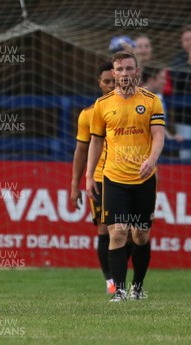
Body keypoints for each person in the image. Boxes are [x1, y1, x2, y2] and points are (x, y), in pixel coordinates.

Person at [86, 51, 165, 302]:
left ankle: (137, 286)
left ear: (137, 72)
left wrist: (151, 160)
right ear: (114, 73)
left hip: (143, 178)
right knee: (117, 232)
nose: (124, 74)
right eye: (119, 70)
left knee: (140, 234)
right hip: (114, 178)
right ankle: (118, 290)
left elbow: (158, 135)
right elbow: (95, 143)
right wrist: (89, 176)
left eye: (129, 69)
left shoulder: (152, 101)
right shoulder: (102, 105)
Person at [70, 61, 116, 294]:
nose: (110, 85)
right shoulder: (88, 114)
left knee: (130, 231)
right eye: (106, 81)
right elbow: (81, 151)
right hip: (99, 179)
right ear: (99, 84)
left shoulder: (134, 109)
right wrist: (74, 185)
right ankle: (111, 283)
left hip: (127, 177)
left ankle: (128, 281)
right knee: (105, 229)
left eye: (113, 81)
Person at [141, 67, 184, 143]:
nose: (164, 82)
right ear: (151, 79)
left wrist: (171, 136)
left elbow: (159, 123)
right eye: (162, 78)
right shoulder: (139, 98)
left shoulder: (158, 97)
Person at [170, 25, 191, 159]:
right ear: (182, 42)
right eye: (187, 39)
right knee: (185, 156)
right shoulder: (178, 60)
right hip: (184, 117)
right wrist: (190, 62)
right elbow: (176, 80)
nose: (190, 42)